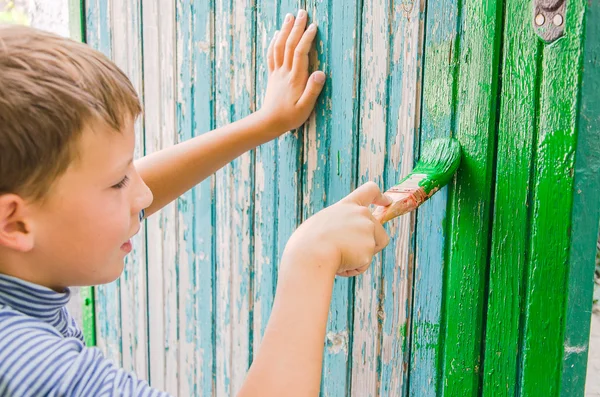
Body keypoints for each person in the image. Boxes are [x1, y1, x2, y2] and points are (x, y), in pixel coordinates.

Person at [0, 10, 390, 396]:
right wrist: (311, 257)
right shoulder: (34, 366)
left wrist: (264, 123)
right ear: (15, 224)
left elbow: (71, 198)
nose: (144, 196)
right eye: (119, 181)